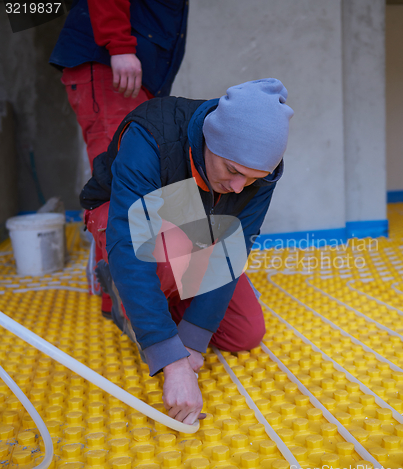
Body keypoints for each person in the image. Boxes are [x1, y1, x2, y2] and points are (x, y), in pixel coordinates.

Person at [79, 78, 294, 425]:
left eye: (252, 178)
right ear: (210, 140)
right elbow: (133, 243)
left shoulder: (261, 176)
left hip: (190, 222)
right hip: (120, 218)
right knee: (159, 252)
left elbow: (232, 250)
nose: (240, 186)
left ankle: (158, 300)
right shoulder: (151, 136)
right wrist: (172, 361)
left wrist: (193, 343)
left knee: (245, 332)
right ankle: (119, 282)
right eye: (233, 171)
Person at [49, 0, 189, 316]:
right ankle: (132, 308)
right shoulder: (119, 50)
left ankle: (121, 301)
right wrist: (119, 46)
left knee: (132, 188)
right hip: (113, 65)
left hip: (132, 73)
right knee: (119, 189)